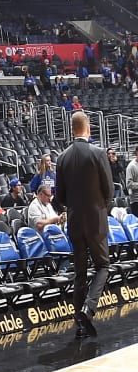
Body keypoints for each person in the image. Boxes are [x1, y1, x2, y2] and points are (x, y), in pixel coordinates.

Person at [55, 110, 116, 337]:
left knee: (80, 273)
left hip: (75, 222)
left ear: (72, 130)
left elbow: (59, 196)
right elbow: (109, 191)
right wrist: (98, 206)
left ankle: (79, 325)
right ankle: (88, 308)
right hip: (96, 219)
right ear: (88, 129)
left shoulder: (62, 157)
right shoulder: (98, 153)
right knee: (103, 265)